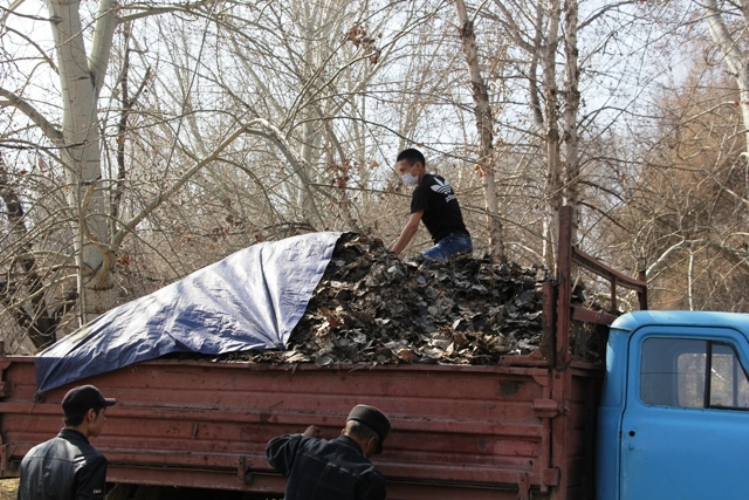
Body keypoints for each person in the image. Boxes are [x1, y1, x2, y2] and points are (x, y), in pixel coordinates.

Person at [266, 404, 391, 500]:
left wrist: (303, 437)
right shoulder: (369, 477)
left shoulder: (303, 448)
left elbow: (273, 448)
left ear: (343, 431)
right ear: (371, 442)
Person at [17, 385, 117, 500]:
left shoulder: (31, 455)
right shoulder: (91, 461)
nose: (104, 419)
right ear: (91, 415)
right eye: (103, 413)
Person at [389, 148, 472, 260]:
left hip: (451, 242)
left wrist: (392, 254)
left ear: (418, 166)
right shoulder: (439, 180)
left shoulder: (422, 190)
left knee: (416, 267)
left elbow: (412, 226)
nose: (402, 175)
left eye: (403, 170)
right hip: (465, 242)